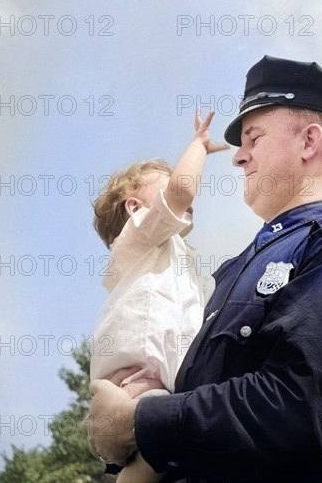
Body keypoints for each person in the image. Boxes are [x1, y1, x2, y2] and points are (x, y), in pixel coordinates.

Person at [87, 55, 322, 483]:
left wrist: (141, 419)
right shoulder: (223, 276)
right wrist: (121, 442)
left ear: (309, 142)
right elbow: (183, 417)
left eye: (253, 138)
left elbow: (297, 411)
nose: (239, 157)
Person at [88, 110, 228, 482]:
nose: (175, 187)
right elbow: (183, 191)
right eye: (163, 185)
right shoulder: (138, 239)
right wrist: (198, 146)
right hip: (140, 385)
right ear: (135, 207)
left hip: (168, 390)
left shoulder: (177, 258)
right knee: (148, 460)